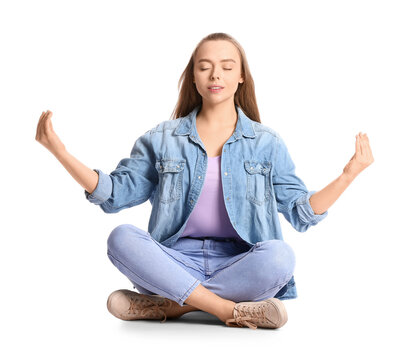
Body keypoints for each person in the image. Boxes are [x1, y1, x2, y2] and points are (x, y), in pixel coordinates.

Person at [35, 32, 374, 330]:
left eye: (227, 66)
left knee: (280, 257)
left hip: (239, 262)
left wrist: (348, 175)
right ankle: (228, 310)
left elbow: (301, 212)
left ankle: (170, 304)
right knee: (121, 237)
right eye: (205, 66)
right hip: (174, 260)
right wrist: (60, 152)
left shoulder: (267, 142)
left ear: (241, 76)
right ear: (193, 77)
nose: (216, 74)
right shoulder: (161, 138)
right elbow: (114, 195)